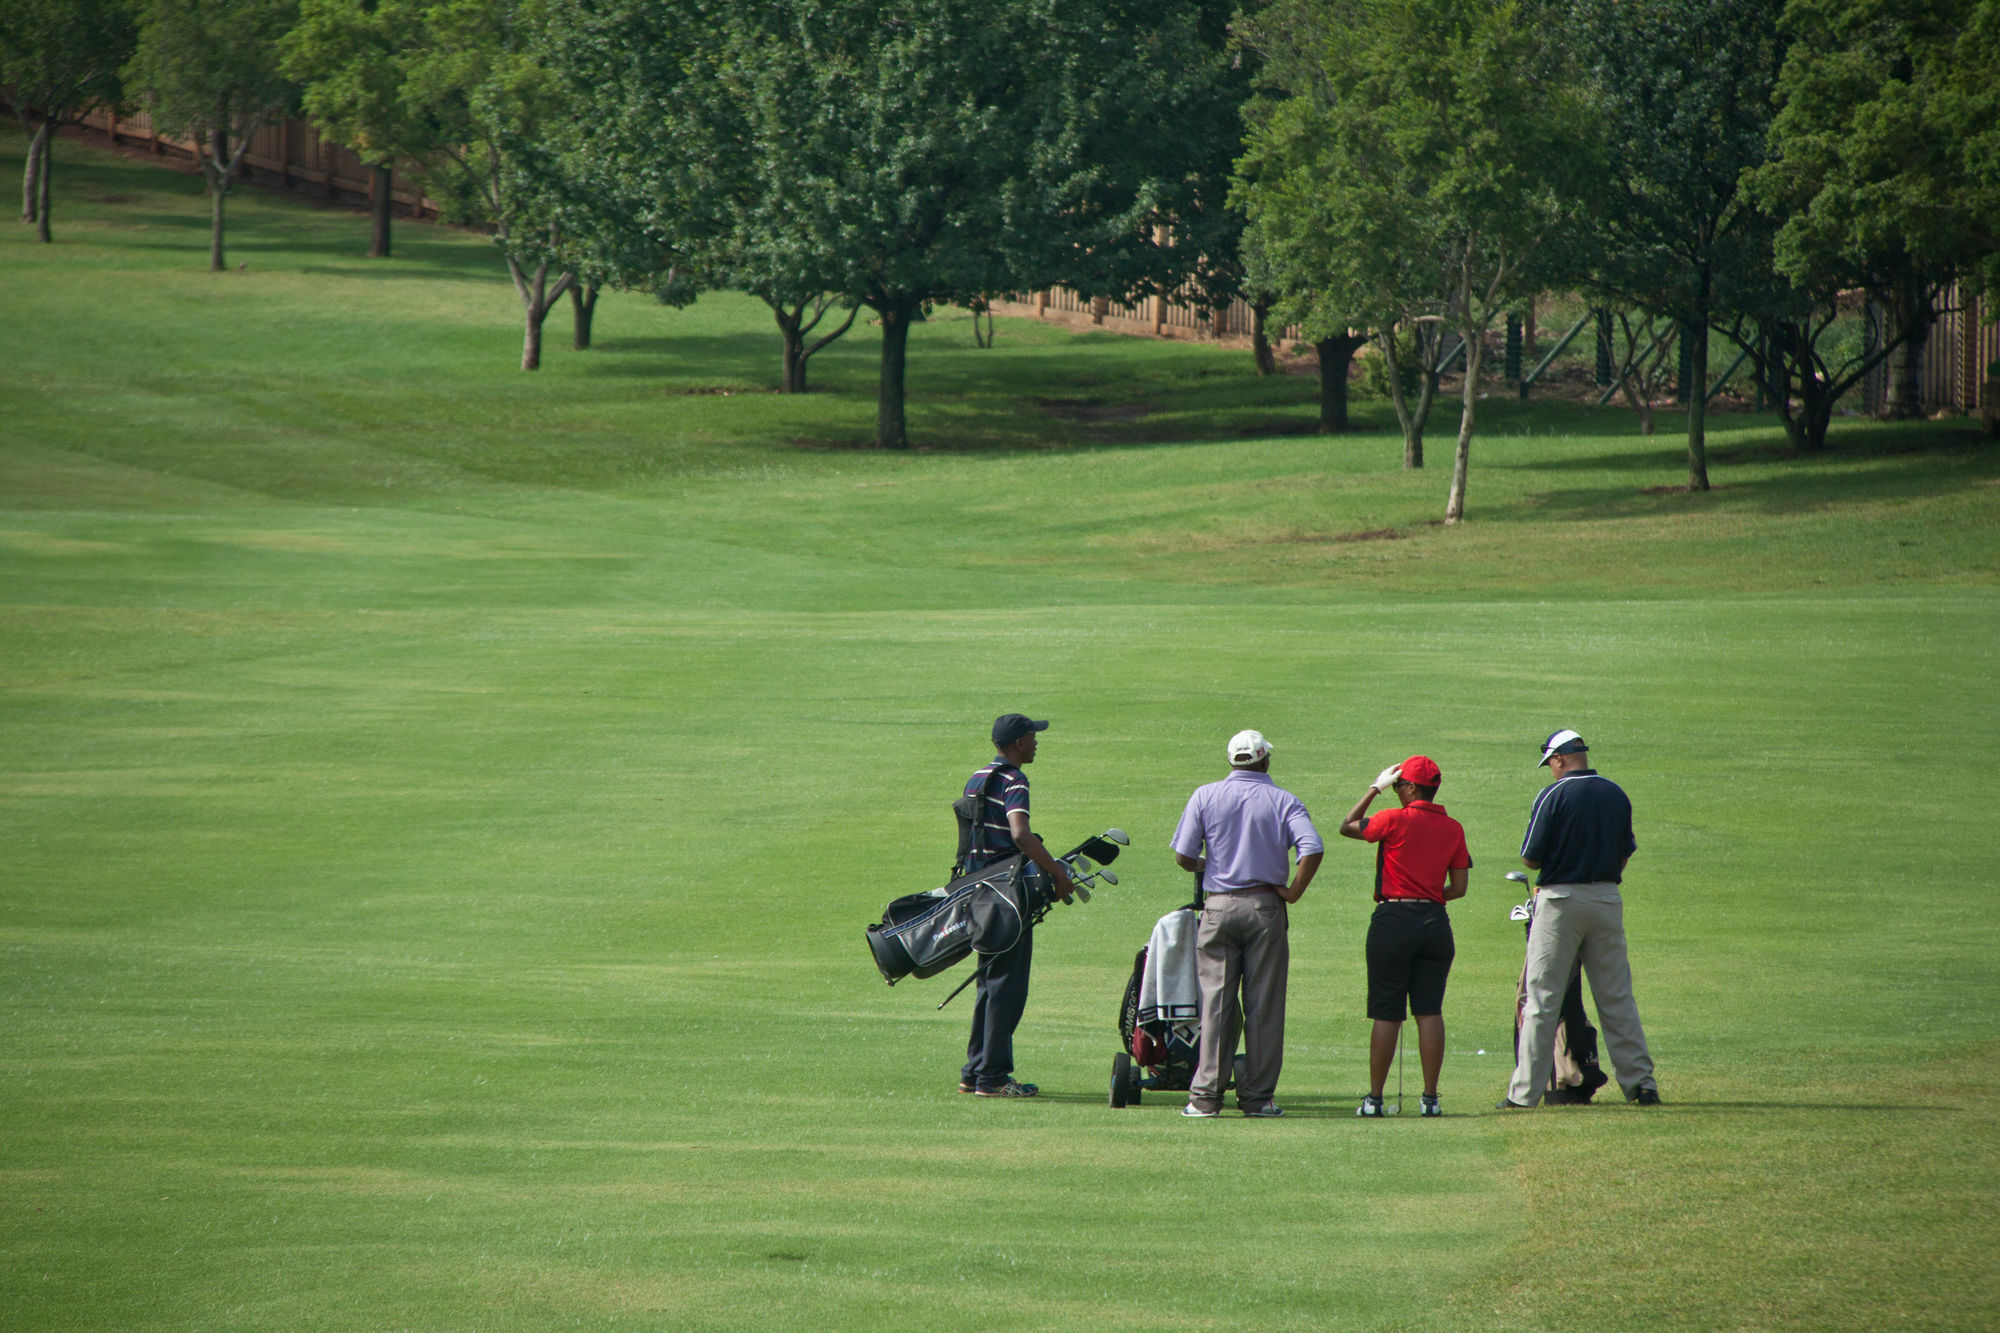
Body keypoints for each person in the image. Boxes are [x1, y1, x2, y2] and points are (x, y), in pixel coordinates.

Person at [1499, 729, 1660, 1109]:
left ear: (1559, 759)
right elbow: (1625, 854)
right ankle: (1641, 1084)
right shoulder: (1615, 792)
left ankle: (1524, 1095)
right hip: (1606, 898)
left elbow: (1530, 858)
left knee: (1542, 999)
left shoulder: (1552, 795)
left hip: (1561, 901)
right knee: (1617, 996)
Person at [1170, 730, 1323, 1119]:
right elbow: (1312, 848)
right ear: (1264, 760)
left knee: (1217, 1005)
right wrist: (1293, 892)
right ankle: (1257, 1099)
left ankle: (1204, 1099)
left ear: (1231, 761)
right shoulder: (1284, 800)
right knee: (1264, 1005)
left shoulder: (1205, 795)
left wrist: (1210, 865)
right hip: (1266, 909)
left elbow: (1184, 856)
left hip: (1217, 909)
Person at [1337, 755, 1471, 1118]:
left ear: (1411, 787)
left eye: (1398, 784)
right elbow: (1458, 888)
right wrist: (1427, 895)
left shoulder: (1393, 818)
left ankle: (1375, 1100)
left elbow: (1347, 825)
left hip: (1392, 920)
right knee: (1429, 1011)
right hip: (1434, 923)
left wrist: (1373, 788)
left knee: (1387, 1012)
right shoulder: (1453, 827)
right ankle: (1430, 1100)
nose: (1395, 790)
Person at [957, 713, 1079, 1098]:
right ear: (1018, 744)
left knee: (988, 984)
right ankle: (992, 1079)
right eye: (1032, 737)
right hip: (1007, 896)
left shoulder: (977, 778)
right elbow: (1020, 835)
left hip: (978, 893)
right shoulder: (1014, 779)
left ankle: (974, 1073)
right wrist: (1058, 873)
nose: (1036, 742)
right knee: (1007, 988)